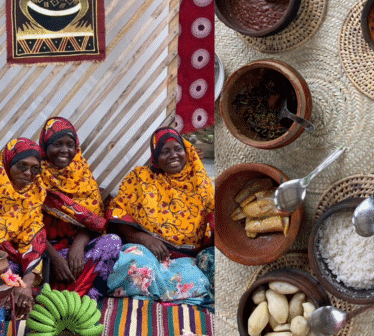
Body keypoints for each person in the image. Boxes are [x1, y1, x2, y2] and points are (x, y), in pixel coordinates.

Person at [106, 127, 214, 306]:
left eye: (178, 149)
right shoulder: (140, 179)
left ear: (185, 151)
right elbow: (117, 214)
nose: (173, 155)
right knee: (136, 262)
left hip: (187, 260)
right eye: (164, 151)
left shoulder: (199, 181)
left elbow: (213, 220)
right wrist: (143, 238)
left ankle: (153, 291)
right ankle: (173, 293)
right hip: (148, 253)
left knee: (204, 273)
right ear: (155, 157)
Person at [36, 117, 121, 298]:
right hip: (42, 252)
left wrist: (78, 245)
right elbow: (27, 224)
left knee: (112, 242)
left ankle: (82, 298)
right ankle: (53, 296)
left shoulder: (82, 174)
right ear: (45, 146)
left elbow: (94, 219)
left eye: (70, 145)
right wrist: (54, 258)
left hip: (74, 252)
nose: (65, 150)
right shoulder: (34, 175)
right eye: (57, 144)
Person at [0, 138, 46, 317]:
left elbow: (35, 241)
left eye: (35, 169)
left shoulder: (32, 198)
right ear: (8, 162)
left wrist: (25, 283)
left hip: (8, 266)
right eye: (22, 166)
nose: (28, 173)